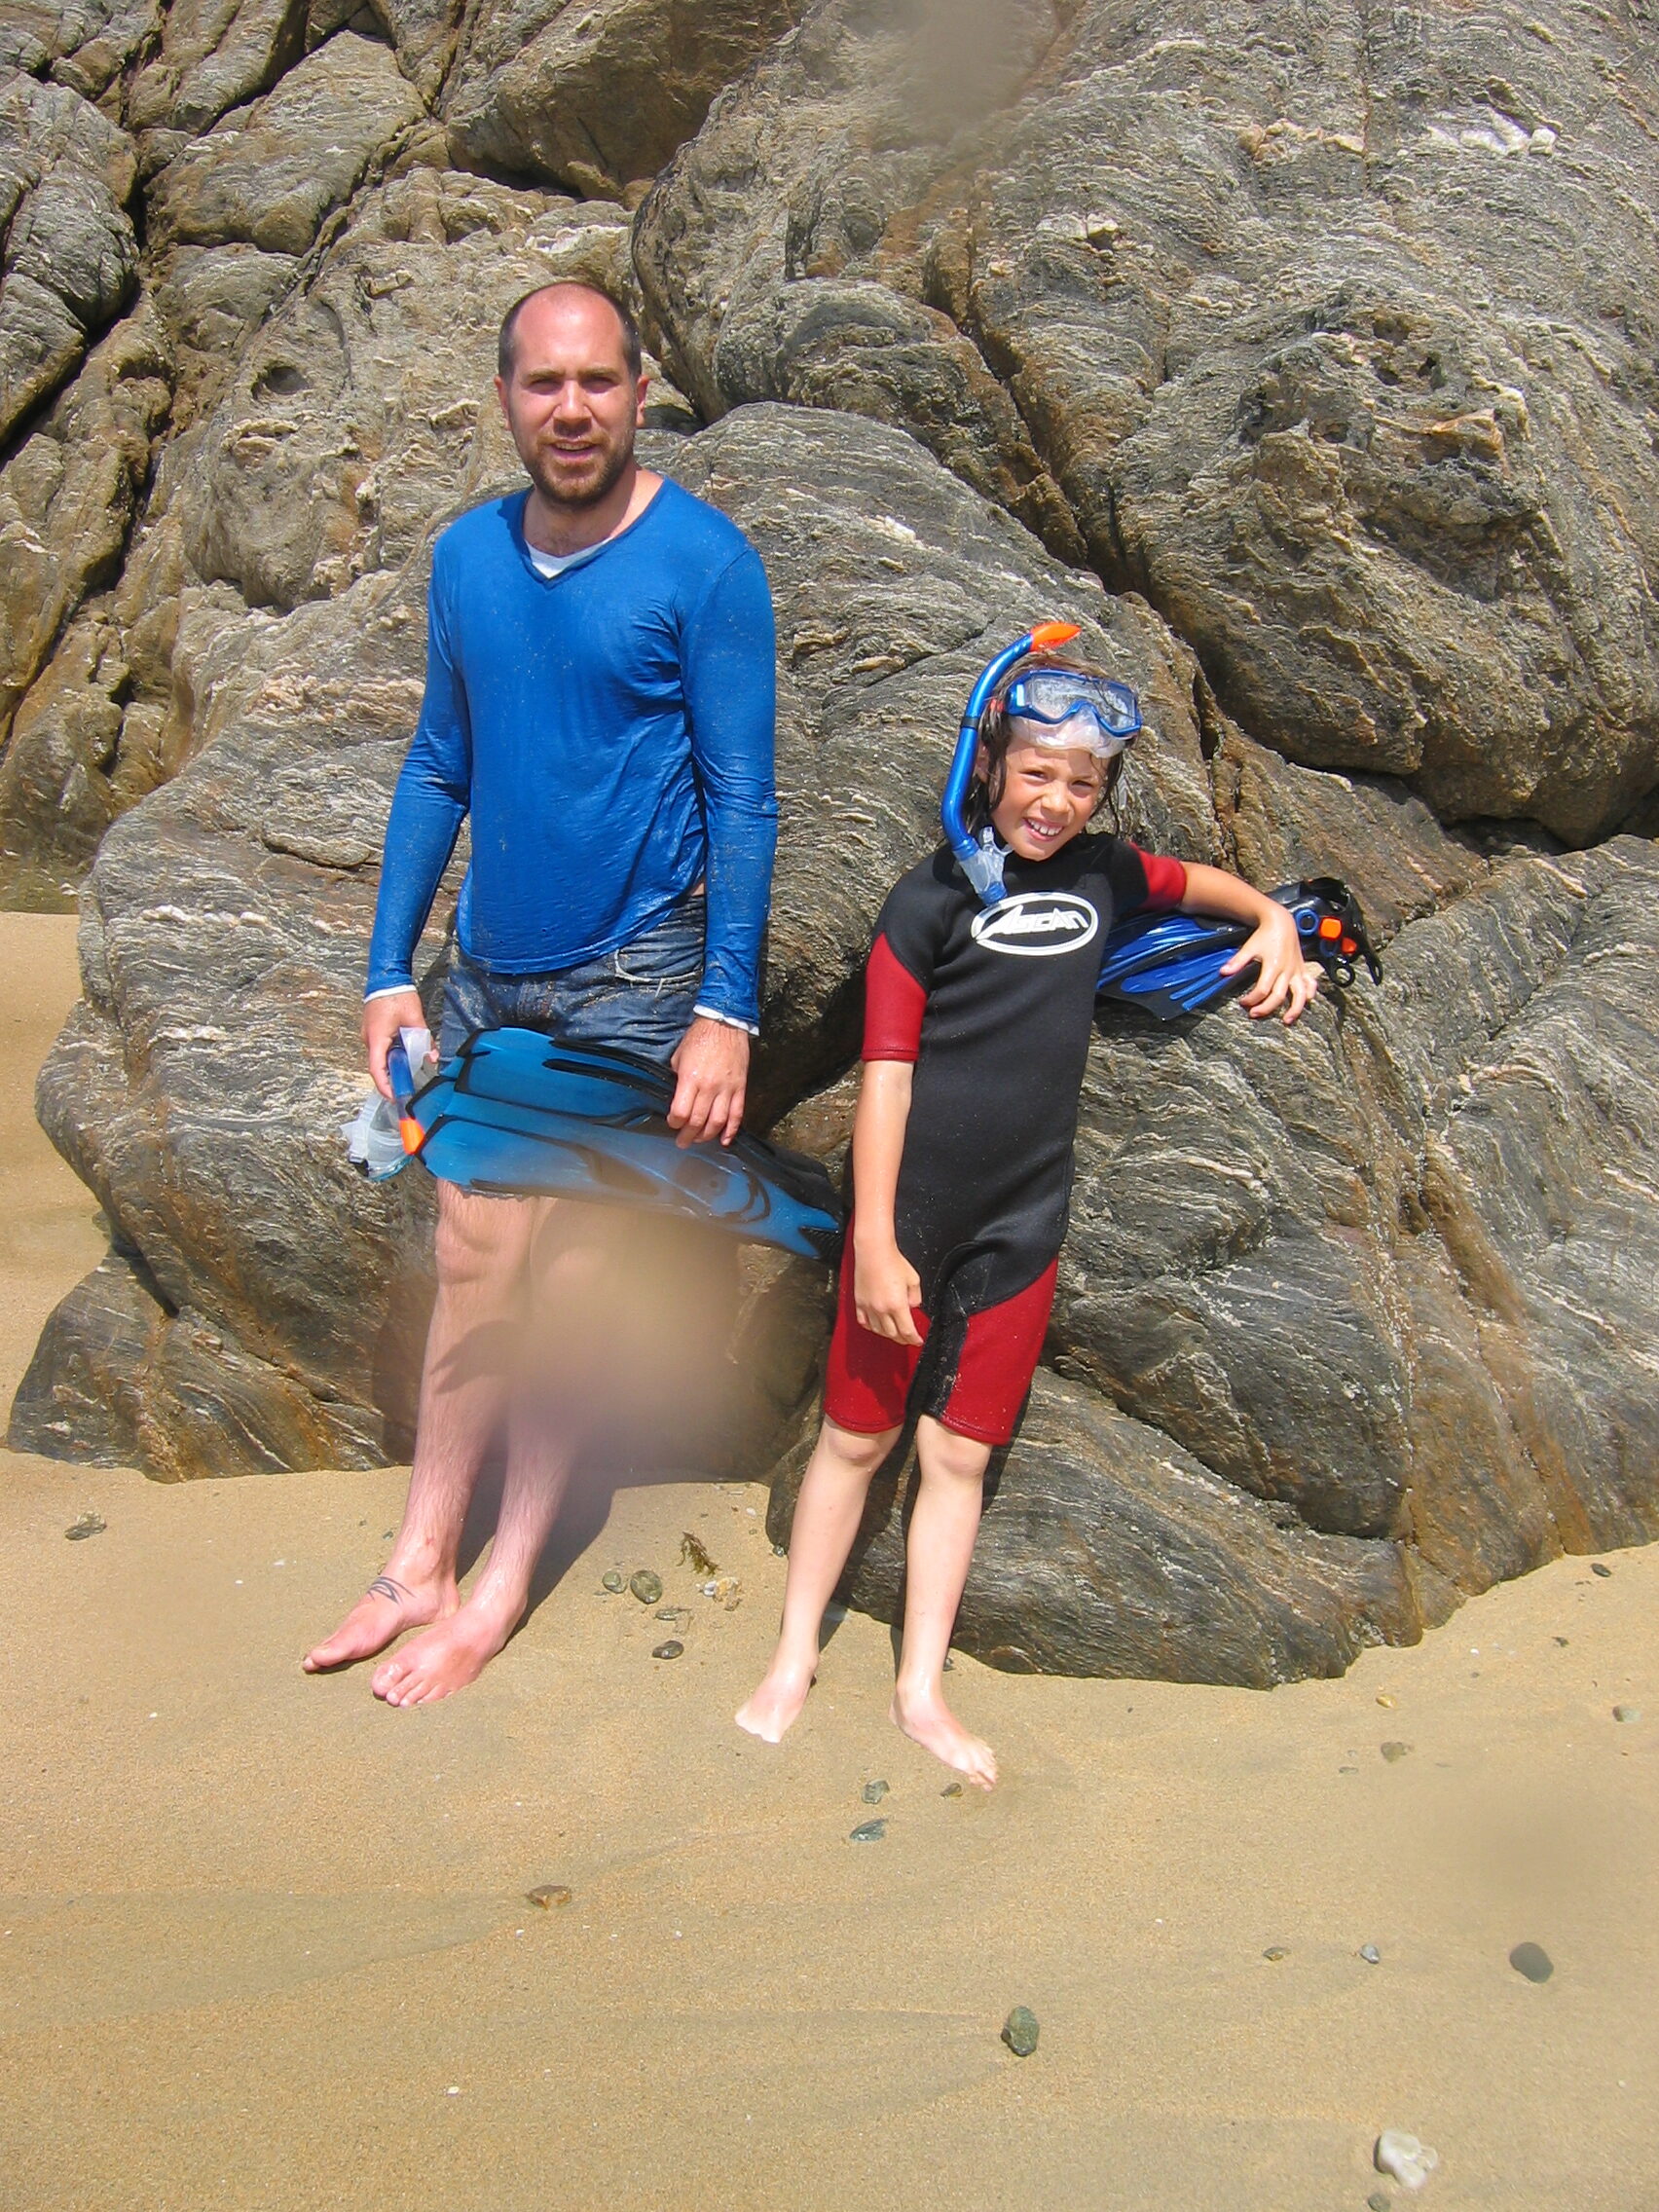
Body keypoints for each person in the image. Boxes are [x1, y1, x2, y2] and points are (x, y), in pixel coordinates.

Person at [305, 279, 777, 1704]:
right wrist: (387, 970)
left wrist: (728, 1010)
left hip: (637, 976)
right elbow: (437, 763)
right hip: (486, 969)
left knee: (569, 1271)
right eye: (543, 383)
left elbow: (743, 797)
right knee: (470, 1253)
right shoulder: (467, 558)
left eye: (598, 381)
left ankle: (502, 1578)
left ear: (638, 393)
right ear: (507, 396)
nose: (572, 409)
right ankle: (420, 1560)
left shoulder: (707, 565)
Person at [735, 652, 1319, 1786]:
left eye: (1082, 783)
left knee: (958, 1452)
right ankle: (794, 1654)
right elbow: (886, 1081)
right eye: (1037, 773)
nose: (1056, 801)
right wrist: (874, 1242)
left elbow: (1202, 886)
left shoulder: (1106, 874)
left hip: (1023, 1222)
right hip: (911, 1216)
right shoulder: (928, 901)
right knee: (856, 1438)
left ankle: (920, 1686)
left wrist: (1274, 923)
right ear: (990, 765)